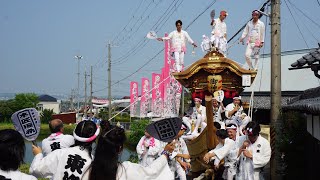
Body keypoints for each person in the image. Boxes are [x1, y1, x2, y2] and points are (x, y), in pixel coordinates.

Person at [84, 123, 175, 180]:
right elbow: (151, 171)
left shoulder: (87, 170)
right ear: (120, 149)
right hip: (146, 159)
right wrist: (165, 153)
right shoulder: (127, 170)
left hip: (148, 158)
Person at [30, 120, 99, 180]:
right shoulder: (93, 163)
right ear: (94, 139)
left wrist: (38, 154)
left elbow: (36, 170)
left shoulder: (58, 152)